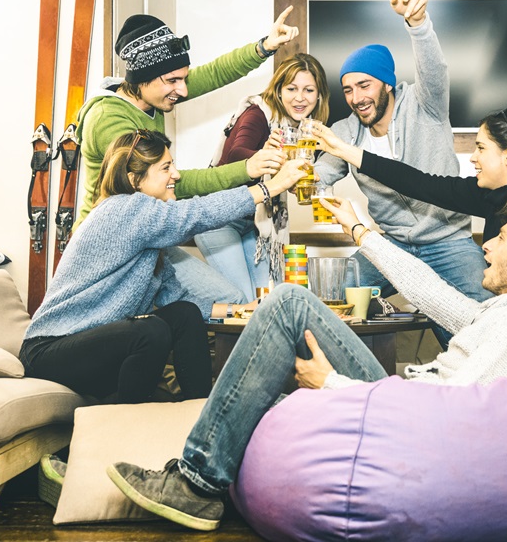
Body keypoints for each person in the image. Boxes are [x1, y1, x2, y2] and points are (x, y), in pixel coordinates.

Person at [107, 200, 507, 530]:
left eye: (502, 238)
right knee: (268, 388)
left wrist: (333, 383)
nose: (486, 245)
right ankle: (185, 472)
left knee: (287, 304)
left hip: (410, 420)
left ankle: (196, 482)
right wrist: (359, 229)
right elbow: (430, 292)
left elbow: (454, 414)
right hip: (402, 399)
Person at [20, 129, 309, 404]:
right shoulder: (124, 208)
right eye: (166, 167)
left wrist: (243, 309)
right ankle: (126, 428)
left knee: (183, 314)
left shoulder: (149, 234)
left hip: (92, 348)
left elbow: (179, 300)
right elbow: (198, 214)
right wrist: (270, 187)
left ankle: (199, 411)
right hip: (50, 351)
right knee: (151, 330)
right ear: (135, 180)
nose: (177, 175)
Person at [72, 9, 299, 313]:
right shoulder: (110, 119)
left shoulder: (152, 95)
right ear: (143, 79)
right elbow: (172, 182)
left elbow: (214, 73)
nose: (184, 90)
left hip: (148, 232)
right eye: (173, 81)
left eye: (184, 78)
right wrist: (248, 168)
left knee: (211, 310)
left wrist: (264, 47)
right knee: (228, 303)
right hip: (107, 247)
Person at [312, 0, 492, 323]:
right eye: (348, 89)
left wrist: (418, 22)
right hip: (391, 244)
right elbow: (319, 177)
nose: (356, 97)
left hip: (449, 241)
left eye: (365, 86)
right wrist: (302, 175)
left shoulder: (426, 105)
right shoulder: (345, 131)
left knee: (476, 324)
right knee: (327, 298)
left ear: (387, 85)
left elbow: (434, 68)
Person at [313, 107, 507, 243]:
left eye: (481, 148)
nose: (473, 157)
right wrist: (344, 150)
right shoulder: (489, 195)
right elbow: (418, 183)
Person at [194, 53, 330, 300]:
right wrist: (266, 155)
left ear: (319, 95)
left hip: (253, 224)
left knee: (268, 300)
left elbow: (290, 182)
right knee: (244, 301)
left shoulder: (304, 132)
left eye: (309, 90)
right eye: (292, 89)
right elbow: (236, 153)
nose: (300, 98)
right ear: (278, 91)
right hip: (218, 218)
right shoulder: (258, 113)